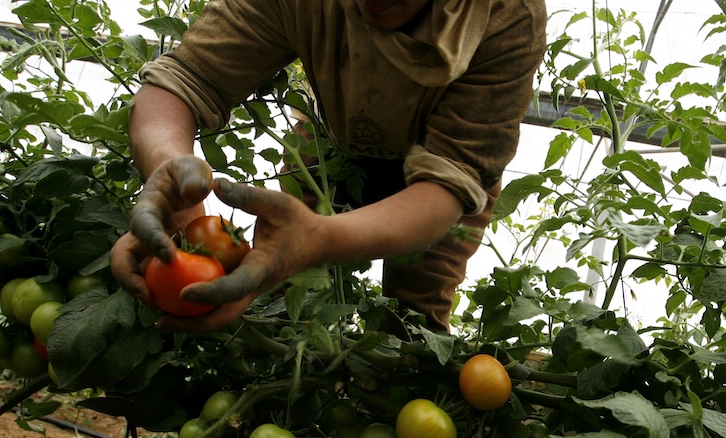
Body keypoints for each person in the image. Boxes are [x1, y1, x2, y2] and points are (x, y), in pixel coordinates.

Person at [111, 0, 548, 333]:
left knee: (413, 324)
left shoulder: (508, 14)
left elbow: (451, 178)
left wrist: (317, 239)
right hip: (325, 145)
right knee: (284, 306)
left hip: (445, 184)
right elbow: (185, 79)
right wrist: (169, 171)